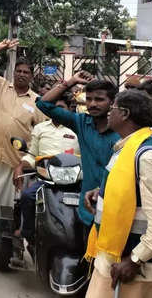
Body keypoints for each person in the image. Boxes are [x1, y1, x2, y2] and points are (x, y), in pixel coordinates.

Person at [84, 90, 152, 298]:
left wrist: (136, 259)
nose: (109, 113)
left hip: (133, 268)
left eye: (113, 108)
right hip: (112, 258)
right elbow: (132, 191)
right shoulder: (126, 147)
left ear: (125, 114)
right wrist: (102, 194)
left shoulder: (148, 155)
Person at [0, 39, 46, 252]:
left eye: (26, 72)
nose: (22, 74)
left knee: (10, 206)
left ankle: (4, 249)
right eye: (19, 71)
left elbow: (41, 132)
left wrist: (27, 161)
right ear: (14, 73)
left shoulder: (37, 101)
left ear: (31, 76)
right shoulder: (2, 86)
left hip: (18, 163)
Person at [37, 71, 120, 229]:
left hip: (113, 211)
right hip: (87, 210)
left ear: (112, 102)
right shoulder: (81, 122)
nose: (93, 104)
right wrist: (71, 82)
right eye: (89, 99)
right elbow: (43, 104)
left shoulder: (122, 130)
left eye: (99, 99)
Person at [13, 98, 79, 245]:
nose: (57, 112)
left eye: (61, 107)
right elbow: (31, 155)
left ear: (69, 109)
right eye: (53, 108)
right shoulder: (40, 128)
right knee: (27, 197)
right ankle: (28, 234)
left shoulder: (77, 128)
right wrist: (20, 166)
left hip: (73, 181)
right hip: (46, 180)